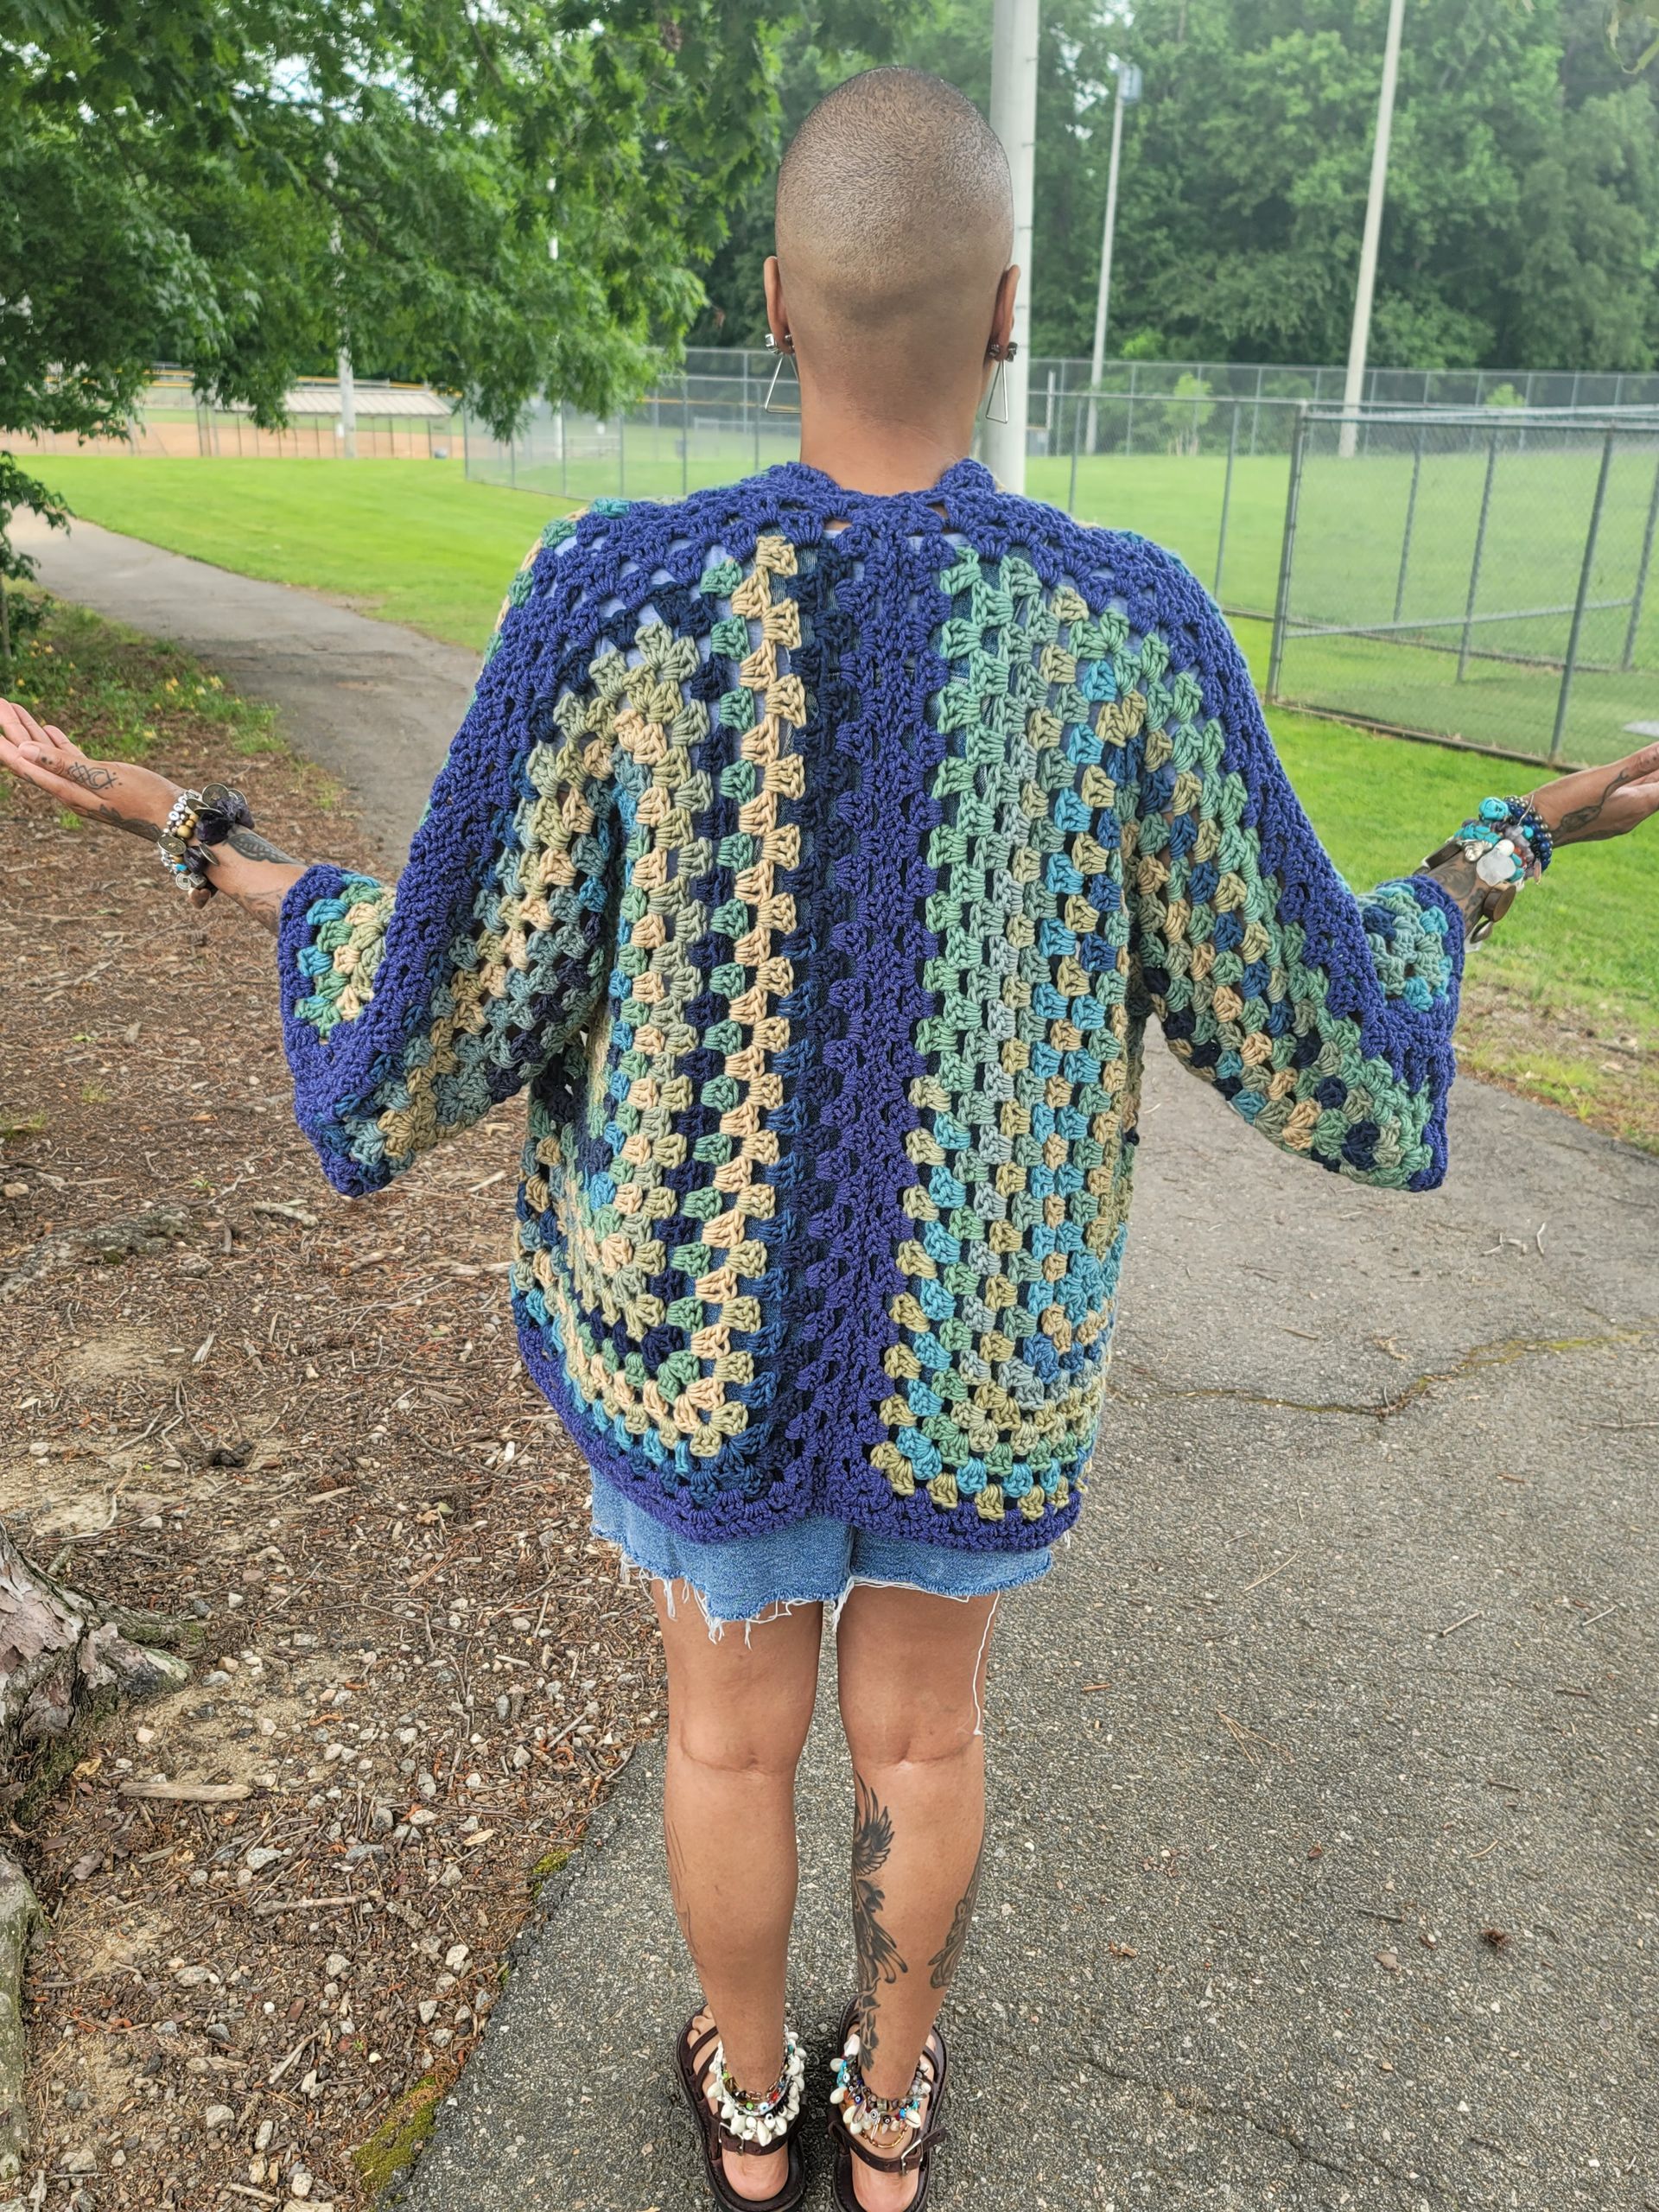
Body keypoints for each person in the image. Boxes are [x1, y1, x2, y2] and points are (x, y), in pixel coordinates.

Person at [3, 65, 1657, 2212]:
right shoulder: (1130, 632)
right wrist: (1511, 842)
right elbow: (1314, 1005)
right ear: (1004, 314)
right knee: (929, 1737)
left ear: (775, 303)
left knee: (728, 1735)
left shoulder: (620, 605)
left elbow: (436, 986)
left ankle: (756, 2110)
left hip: (704, 1336)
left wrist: (187, 833)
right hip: (982, 1343)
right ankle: (892, 2107)